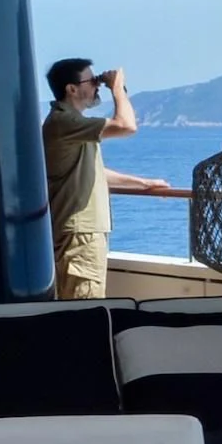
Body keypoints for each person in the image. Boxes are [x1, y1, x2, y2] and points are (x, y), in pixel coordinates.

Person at [40, 58, 158, 300]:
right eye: (92, 81)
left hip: (77, 230)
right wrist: (117, 88)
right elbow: (126, 126)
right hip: (80, 233)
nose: (97, 85)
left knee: (75, 304)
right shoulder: (65, 122)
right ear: (71, 89)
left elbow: (91, 172)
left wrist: (142, 183)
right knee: (84, 308)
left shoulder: (70, 125)